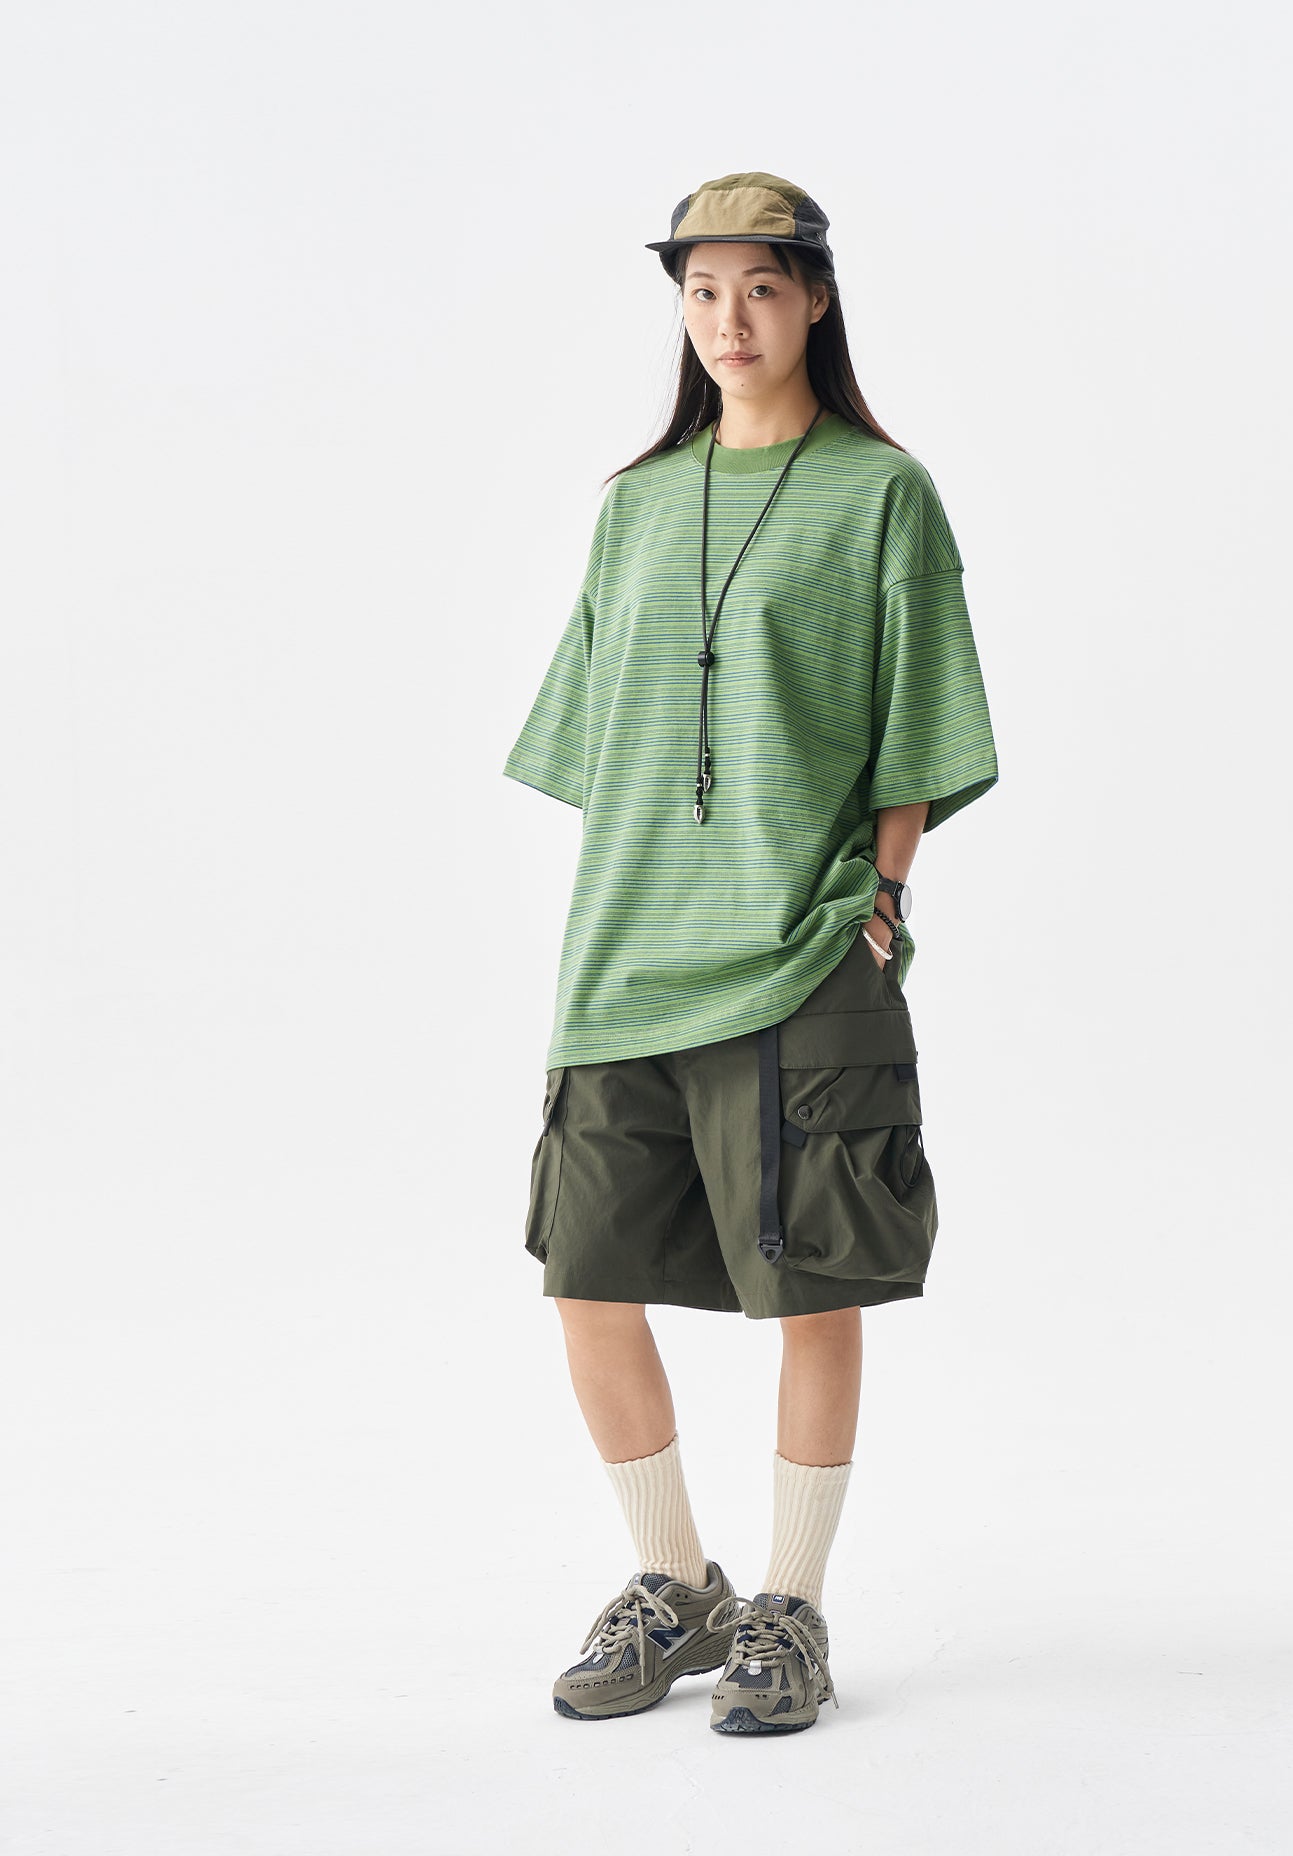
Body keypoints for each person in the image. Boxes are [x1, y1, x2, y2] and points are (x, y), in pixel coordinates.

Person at [503, 170, 998, 1734]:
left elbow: (922, 714)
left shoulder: (883, 494)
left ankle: (791, 1604)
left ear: (816, 300)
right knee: (586, 1277)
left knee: (811, 1290)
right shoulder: (635, 505)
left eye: (762, 288)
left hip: (798, 950)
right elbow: (602, 744)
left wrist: (882, 894)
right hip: (625, 955)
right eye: (703, 291)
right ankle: (677, 1583)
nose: (729, 319)